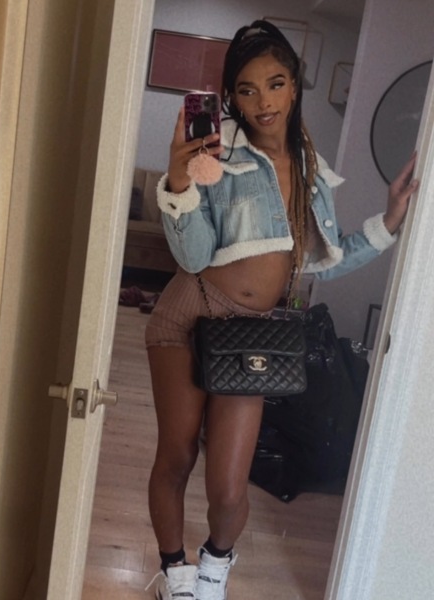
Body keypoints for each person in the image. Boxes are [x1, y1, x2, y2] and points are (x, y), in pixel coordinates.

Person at [144, 20, 418, 600]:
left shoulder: (310, 167)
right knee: (177, 456)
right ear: (231, 97)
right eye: (247, 90)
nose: (263, 101)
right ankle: (175, 575)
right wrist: (180, 180)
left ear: (294, 86)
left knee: (229, 487)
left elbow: (323, 261)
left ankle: (213, 573)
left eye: (274, 84)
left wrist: (390, 221)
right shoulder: (218, 152)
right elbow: (192, 256)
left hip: (251, 337)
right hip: (188, 316)